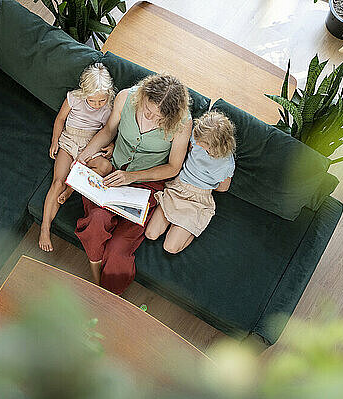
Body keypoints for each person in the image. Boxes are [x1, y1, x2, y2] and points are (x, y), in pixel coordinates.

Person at [75, 74, 193, 293]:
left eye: (159, 118)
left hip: (146, 185)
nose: (151, 118)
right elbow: (109, 131)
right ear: (143, 96)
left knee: (119, 248)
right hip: (111, 174)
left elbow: (173, 168)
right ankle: (96, 281)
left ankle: (108, 295)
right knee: (96, 221)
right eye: (148, 111)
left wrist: (132, 177)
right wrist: (84, 156)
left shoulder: (183, 123)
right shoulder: (126, 97)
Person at [39, 63, 116, 252]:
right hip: (69, 141)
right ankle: (44, 228)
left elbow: (111, 131)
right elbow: (60, 119)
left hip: (92, 144)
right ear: (84, 92)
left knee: (105, 167)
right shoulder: (74, 98)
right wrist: (55, 140)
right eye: (93, 101)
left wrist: (112, 145)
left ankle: (71, 188)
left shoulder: (110, 107)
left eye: (102, 100)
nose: (98, 104)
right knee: (57, 182)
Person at [145, 111, 236, 253]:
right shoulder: (197, 136)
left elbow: (223, 187)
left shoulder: (226, 164)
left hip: (198, 200)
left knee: (170, 247)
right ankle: (178, 223)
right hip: (178, 187)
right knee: (150, 234)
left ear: (216, 147)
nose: (197, 143)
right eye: (197, 139)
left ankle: (192, 228)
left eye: (203, 145)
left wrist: (203, 183)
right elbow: (189, 150)